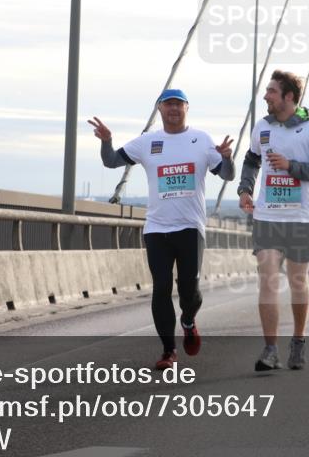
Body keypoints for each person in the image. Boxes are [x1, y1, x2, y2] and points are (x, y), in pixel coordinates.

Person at [90, 89, 234, 369]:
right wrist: (107, 142)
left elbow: (227, 174)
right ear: (159, 109)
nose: (173, 109)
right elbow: (110, 161)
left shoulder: (201, 140)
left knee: (189, 290)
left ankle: (189, 321)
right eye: (168, 105)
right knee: (161, 288)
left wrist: (227, 158)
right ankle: (168, 351)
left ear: (187, 109)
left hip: (190, 227)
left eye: (179, 105)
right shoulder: (148, 142)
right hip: (157, 228)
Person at [238, 70, 309, 370]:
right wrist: (245, 189)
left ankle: (299, 340)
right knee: (267, 280)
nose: (265, 96)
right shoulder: (262, 127)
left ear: (289, 97)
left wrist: (291, 166)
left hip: (300, 219)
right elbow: (252, 159)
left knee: (297, 281)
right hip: (267, 216)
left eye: (271, 91)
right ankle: (270, 350)